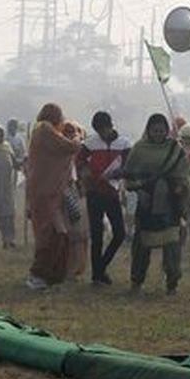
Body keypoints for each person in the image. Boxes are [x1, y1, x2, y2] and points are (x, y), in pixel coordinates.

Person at [124, 113, 190, 294]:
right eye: (155, 131)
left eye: (162, 131)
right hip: (146, 203)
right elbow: (129, 176)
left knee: (172, 245)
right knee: (142, 244)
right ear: (148, 130)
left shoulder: (175, 149)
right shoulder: (138, 149)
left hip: (170, 204)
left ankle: (172, 282)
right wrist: (139, 191)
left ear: (167, 131)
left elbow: (185, 174)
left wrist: (180, 188)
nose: (159, 134)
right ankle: (136, 281)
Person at [25, 103, 81, 290]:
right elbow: (68, 147)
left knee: (56, 233)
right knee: (50, 234)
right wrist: (76, 138)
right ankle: (38, 274)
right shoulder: (45, 130)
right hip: (45, 192)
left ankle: (51, 275)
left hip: (47, 192)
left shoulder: (40, 132)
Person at [77, 111, 131, 286]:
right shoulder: (89, 143)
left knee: (119, 233)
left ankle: (100, 267)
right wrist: (86, 174)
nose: (102, 133)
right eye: (98, 130)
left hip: (112, 192)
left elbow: (130, 164)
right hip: (95, 192)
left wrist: (122, 173)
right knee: (97, 235)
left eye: (104, 129)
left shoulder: (124, 144)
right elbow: (79, 162)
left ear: (110, 126)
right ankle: (97, 274)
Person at [61, 121, 89, 280]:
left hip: (78, 194)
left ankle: (77, 268)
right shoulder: (58, 149)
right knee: (67, 234)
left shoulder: (81, 150)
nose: (69, 135)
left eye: (72, 132)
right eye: (66, 132)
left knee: (80, 234)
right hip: (62, 194)